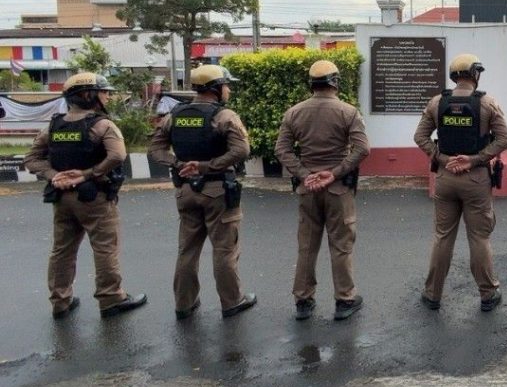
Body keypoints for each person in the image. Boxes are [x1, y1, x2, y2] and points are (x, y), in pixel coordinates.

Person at [24, 72, 147, 319]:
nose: (108, 96)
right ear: (88, 95)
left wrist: (54, 176)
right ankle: (111, 298)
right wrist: (87, 174)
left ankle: (60, 301)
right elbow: (117, 155)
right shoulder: (103, 125)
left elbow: (32, 159)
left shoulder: (53, 126)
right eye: (104, 92)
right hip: (95, 198)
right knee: (105, 248)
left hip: (62, 199)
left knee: (62, 251)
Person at [149, 64, 256, 319]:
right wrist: (208, 166)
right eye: (226, 85)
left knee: (187, 250)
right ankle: (232, 301)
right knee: (224, 249)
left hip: (185, 190)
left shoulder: (174, 115)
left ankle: (184, 304)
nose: (228, 90)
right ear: (216, 88)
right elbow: (242, 150)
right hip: (218, 190)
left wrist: (179, 164)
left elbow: (156, 149)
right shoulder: (224, 116)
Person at [413, 53, 507, 311]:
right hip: (476, 179)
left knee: (442, 237)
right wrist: (475, 159)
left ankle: (432, 295)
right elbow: (504, 139)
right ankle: (488, 295)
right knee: (479, 237)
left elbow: (420, 137)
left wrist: (443, 159)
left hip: (445, 178)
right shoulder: (487, 103)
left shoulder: (437, 103)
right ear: (475, 74)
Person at [275, 60, 370, 321]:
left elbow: (282, 150)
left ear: (312, 84)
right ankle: (345, 299)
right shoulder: (348, 112)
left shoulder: (294, 113)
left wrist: (305, 175)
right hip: (338, 189)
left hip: (308, 189)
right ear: (335, 82)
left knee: (307, 246)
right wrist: (335, 172)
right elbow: (363, 149)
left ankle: (303, 301)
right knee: (341, 245)